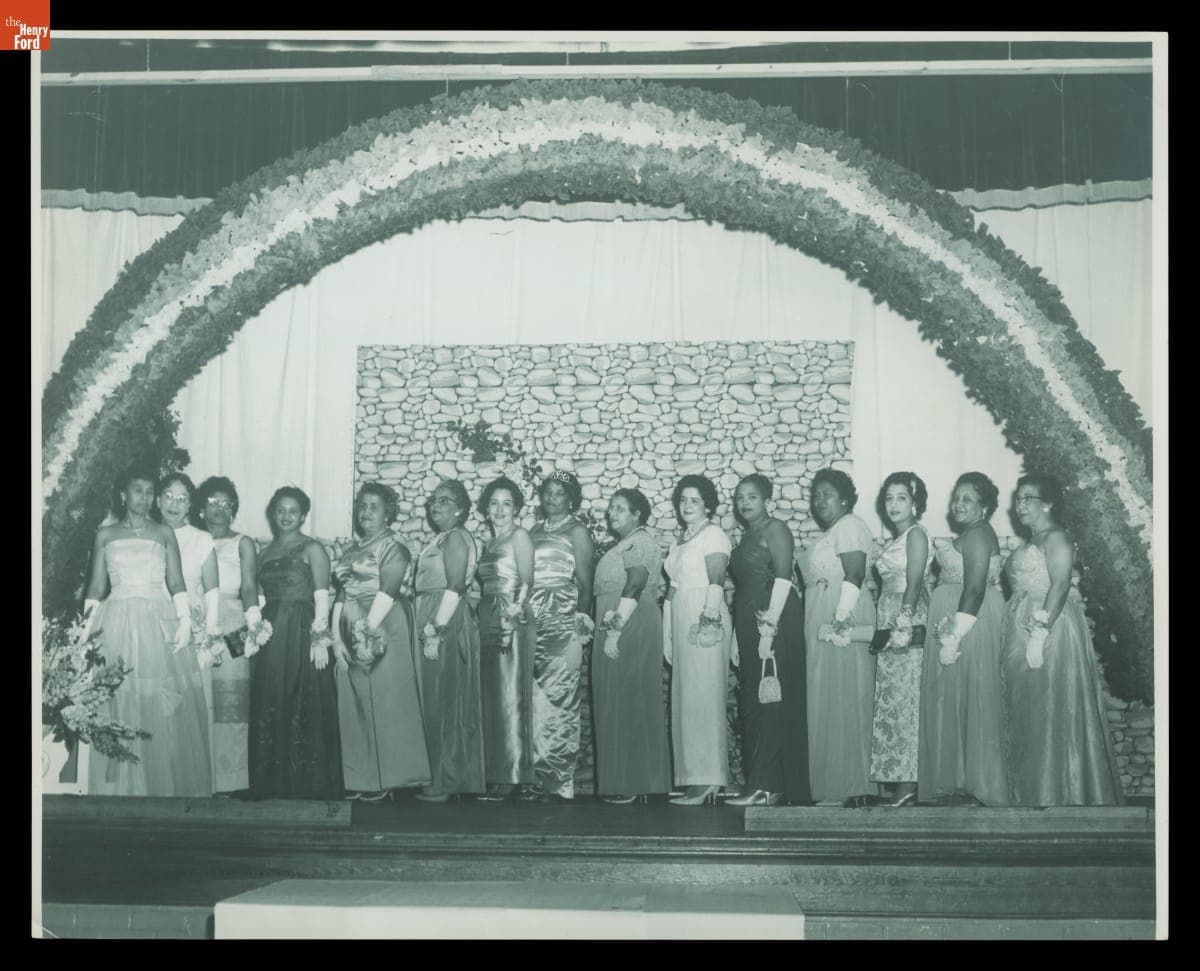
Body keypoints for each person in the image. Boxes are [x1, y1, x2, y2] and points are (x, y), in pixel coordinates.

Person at [81, 466, 211, 796]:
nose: (145, 497)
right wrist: (83, 636)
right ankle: (123, 787)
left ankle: (157, 785)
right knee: (120, 698)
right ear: (123, 494)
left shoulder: (163, 533)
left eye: (150, 491)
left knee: (160, 701)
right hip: (116, 620)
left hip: (157, 619)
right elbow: (96, 587)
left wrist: (184, 621)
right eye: (138, 490)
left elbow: (176, 580)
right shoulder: (105, 535)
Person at [1002, 473, 1123, 806]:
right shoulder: (1030, 541)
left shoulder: (1056, 537)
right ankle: (1031, 793)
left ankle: (1060, 794)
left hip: (1051, 629)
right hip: (1020, 628)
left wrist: (1039, 634)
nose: (1021, 504)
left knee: (1052, 706)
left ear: (1049, 504)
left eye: (1030, 498)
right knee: (1029, 708)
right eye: (1019, 498)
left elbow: (1060, 584)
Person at [330, 483, 430, 801]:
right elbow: (342, 594)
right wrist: (336, 639)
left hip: (382, 625)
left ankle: (390, 779)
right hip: (351, 624)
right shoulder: (352, 550)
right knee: (355, 703)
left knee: (386, 701)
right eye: (363, 505)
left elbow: (388, 590)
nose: (366, 511)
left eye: (374, 506)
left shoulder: (393, 548)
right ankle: (362, 778)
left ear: (388, 513)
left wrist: (365, 632)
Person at [919, 472, 1009, 806]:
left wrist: (953, 638)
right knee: (958, 698)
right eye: (956, 498)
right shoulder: (973, 532)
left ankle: (977, 784)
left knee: (974, 697)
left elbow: (974, 588)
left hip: (970, 623)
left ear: (984, 508)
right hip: (961, 618)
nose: (959, 504)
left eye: (967, 499)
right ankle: (959, 782)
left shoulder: (978, 534)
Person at [248, 486, 342, 799]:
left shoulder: (312, 548)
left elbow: (322, 595)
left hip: (303, 630)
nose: (286, 516)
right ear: (273, 515)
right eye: (280, 510)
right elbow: (259, 598)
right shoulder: (264, 553)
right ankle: (274, 784)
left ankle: (308, 784)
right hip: (272, 633)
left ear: (303, 515)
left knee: (305, 698)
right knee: (271, 695)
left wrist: (319, 637)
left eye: (293, 511)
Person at [725, 473, 810, 807]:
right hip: (748, 619)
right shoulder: (747, 536)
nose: (745, 503)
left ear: (767, 500)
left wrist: (769, 626)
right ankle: (761, 782)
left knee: (770, 700)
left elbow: (783, 578)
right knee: (753, 701)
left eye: (752, 497)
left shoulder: (776, 529)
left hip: (771, 617)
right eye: (740, 498)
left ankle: (768, 785)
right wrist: (736, 635)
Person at [797, 468, 878, 805]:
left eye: (827, 494)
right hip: (821, 612)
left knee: (847, 695)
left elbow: (855, 572)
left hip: (840, 612)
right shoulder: (833, 531)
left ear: (845, 498)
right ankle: (833, 784)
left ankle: (853, 786)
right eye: (816, 495)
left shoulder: (850, 526)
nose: (820, 500)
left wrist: (840, 619)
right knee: (827, 697)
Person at [592, 488, 671, 804]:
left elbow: (636, 582)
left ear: (638, 513)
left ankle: (633, 782)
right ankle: (630, 781)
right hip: (620, 623)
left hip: (629, 625)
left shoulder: (640, 542)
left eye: (620, 508)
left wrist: (615, 629)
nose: (612, 513)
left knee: (628, 699)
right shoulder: (624, 544)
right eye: (610, 508)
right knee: (619, 700)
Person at [413, 479, 486, 802]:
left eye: (444, 500)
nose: (436, 505)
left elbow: (456, 586)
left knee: (442, 700)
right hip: (430, 613)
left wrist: (436, 630)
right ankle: (437, 776)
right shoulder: (442, 537)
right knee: (432, 699)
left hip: (444, 618)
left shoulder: (456, 537)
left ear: (460, 508)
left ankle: (444, 781)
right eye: (433, 500)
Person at [663, 474, 734, 806]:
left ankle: (709, 779)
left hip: (705, 616)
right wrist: (668, 632)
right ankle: (691, 777)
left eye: (695, 500)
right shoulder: (680, 541)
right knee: (686, 699)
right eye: (683, 500)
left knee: (705, 697)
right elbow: (672, 589)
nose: (687, 505)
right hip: (680, 615)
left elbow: (716, 579)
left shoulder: (714, 534)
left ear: (707, 503)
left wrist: (708, 619)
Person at [527, 471, 595, 802]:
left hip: (562, 619)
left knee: (560, 698)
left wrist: (579, 629)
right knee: (536, 700)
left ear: (571, 499)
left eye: (559, 493)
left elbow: (585, 582)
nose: (552, 498)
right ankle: (540, 774)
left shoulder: (577, 531)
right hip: (532, 620)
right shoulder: (534, 530)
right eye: (548, 492)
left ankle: (560, 778)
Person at [868, 472, 933, 808]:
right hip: (889, 614)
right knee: (892, 696)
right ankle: (901, 780)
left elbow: (915, 581)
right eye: (889, 498)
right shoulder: (896, 539)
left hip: (907, 617)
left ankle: (910, 782)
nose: (893, 504)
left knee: (907, 697)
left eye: (901, 498)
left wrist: (904, 620)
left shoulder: (917, 534)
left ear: (915, 502)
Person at [195, 475, 258, 796]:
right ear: (201, 508)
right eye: (212, 502)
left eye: (227, 504)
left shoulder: (242, 542)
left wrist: (252, 627)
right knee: (198, 702)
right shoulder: (190, 539)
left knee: (231, 704)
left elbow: (249, 588)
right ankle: (198, 777)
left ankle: (231, 781)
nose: (220, 509)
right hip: (197, 626)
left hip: (235, 627)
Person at [475, 477, 537, 801]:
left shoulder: (520, 536)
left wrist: (511, 618)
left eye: (507, 504)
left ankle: (512, 775)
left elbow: (527, 582)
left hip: (511, 617)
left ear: (516, 509)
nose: (500, 510)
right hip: (487, 614)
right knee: (492, 696)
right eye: (494, 503)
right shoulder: (489, 542)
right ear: (487, 508)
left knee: (510, 694)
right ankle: (496, 770)